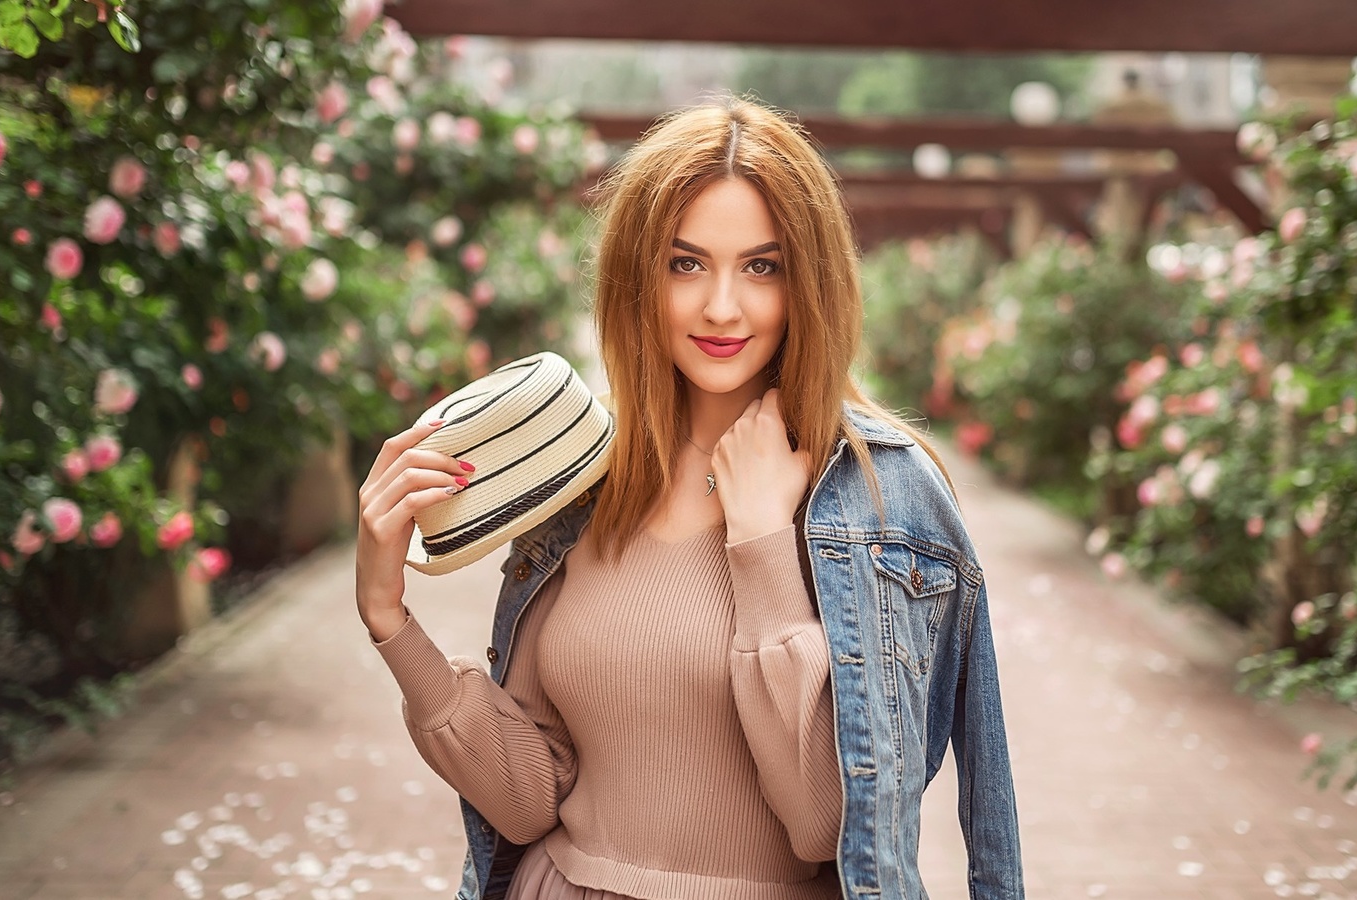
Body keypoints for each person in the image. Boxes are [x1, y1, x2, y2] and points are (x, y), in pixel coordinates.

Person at [354, 96, 1024, 900]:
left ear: (809, 281)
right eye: (686, 263)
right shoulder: (586, 489)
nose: (721, 307)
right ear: (638, 277)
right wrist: (391, 620)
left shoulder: (884, 504)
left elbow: (825, 823)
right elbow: (532, 801)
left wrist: (763, 543)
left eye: (762, 266)